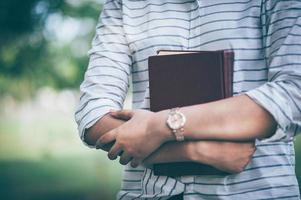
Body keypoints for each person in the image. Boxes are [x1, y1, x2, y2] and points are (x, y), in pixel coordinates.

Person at [75, 0, 301, 199]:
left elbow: (294, 94)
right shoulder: (125, 4)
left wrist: (160, 126)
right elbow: (93, 117)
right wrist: (199, 151)